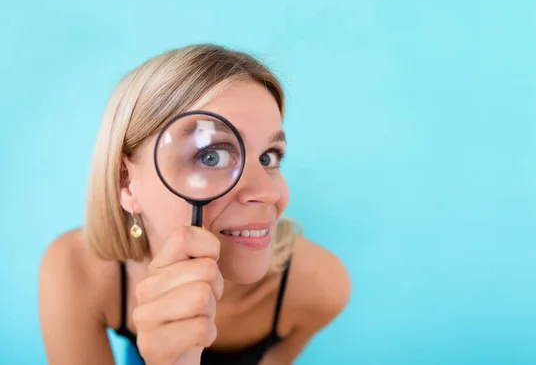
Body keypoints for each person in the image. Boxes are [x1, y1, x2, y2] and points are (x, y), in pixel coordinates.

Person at [38, 44, 352, 365]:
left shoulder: (319, 287)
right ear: (125, 181)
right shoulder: (76, 271)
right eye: (210, 155)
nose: (269, 194)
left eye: (269, 157)